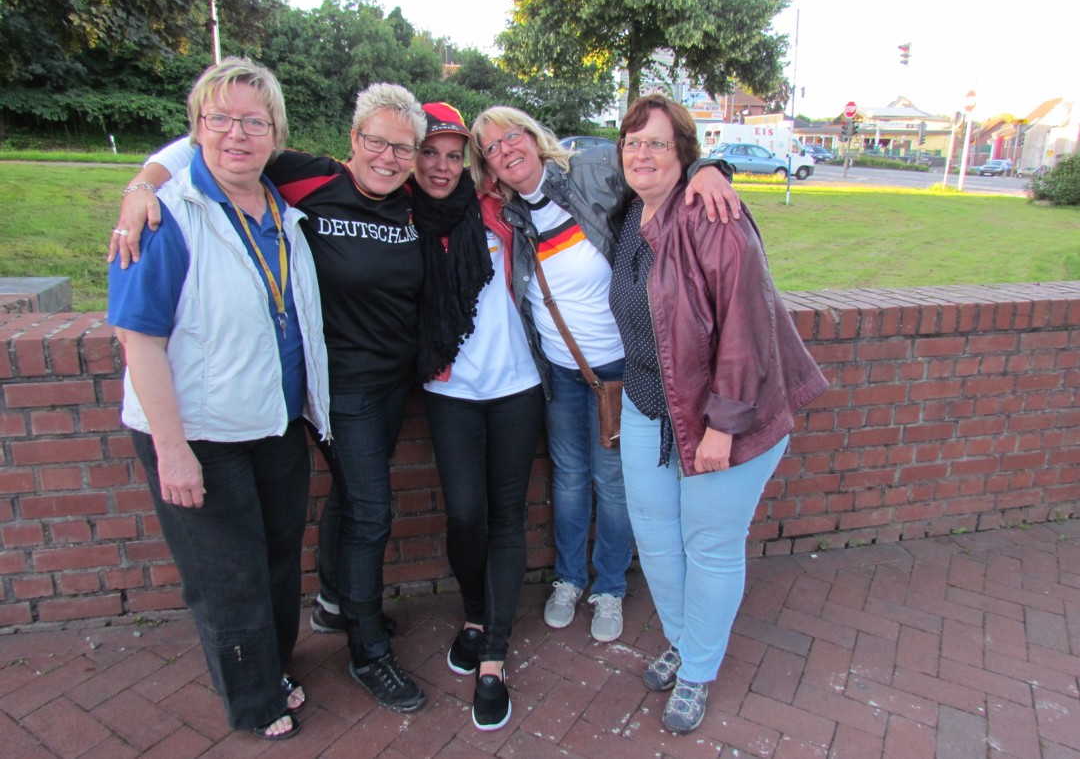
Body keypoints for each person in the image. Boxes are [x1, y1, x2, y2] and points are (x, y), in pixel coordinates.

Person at [111, 83, 483, 715]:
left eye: (403, 148)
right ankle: (367, 649)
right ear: (353, 139)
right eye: (377, 142)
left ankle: (336, 602)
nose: (389, 158)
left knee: (352, 498)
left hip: (395, 383)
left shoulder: (413, 202)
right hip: (340, 387)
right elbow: (211, 147)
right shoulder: (310, 179)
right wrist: (141, 185)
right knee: (371, 511)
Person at [107, 57, 331, 741]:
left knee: (276, 559)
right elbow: (138, 340)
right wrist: (172, 452)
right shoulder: (166, 215)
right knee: (227, 576)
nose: (237, 134)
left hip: (273, 420)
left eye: (254, 122)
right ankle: (254, 701)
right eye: (220, 119)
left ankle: (273, 667)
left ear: (275, 133)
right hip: (200, 432)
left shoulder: (280, 208)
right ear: (196, 128)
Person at [468, 107, 741, 644]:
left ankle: (610, 586)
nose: (506, 150)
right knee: (569, 479)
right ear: (489, 168)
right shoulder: (509, 216)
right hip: (563, 375)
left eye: (512, 136)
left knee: (612, 484)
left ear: (534, 137)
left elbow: (657, 163)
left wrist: (710, 168)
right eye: (492, 149)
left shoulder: (592, 171)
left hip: (620, 370)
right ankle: (570, 579)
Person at [608, 94, 828, 734]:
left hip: (722, 414)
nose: (641, 154)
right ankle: (685, 643)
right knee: (655, 536)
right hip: (648, 404)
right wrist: (714, 163)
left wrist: (723, 426)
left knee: (709, 545)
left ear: (683, 152)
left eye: (657, 143)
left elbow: (746, 327)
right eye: (632, 142)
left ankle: (698, 670)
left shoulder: (713, 216)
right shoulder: (630, 211)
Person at [413, 103, 546, 730]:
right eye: (429, 152)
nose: (442, 166)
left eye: (453, 153)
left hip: (517, 384)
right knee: (466, 515)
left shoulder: (495, 204)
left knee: (506, 517)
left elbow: (574, 180)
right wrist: (150, 180)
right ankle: (474, 613)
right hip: (450, 389)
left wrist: (705, 168)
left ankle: (493, 653)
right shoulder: (401, 214)